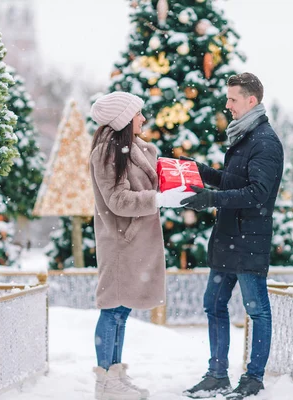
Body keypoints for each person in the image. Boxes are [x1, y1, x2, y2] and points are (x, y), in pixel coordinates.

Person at [181, 73, 284, 400]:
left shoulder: (265, 141)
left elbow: (256, 193)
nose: (227, 105)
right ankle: (217, 374)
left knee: (257, 311)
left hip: (249, 241)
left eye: (233, 99)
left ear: (251, 101)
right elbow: (232, 180)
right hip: (228, 239)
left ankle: (253, 378)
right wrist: (200, 172)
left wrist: (211, 198)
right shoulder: (246, 137)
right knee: (213, 304)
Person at [89, 91, 192, 400]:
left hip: (134, 243)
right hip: (121, 243)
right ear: (124, 119)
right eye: (138, 114)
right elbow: (118, 200)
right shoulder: (108, 153)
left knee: (121, 310)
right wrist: (158, 199)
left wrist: (176, 184)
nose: (143, 119)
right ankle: (105, 381)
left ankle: (115, 374)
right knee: (113, 309)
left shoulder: (136, 148)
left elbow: (147, 186)